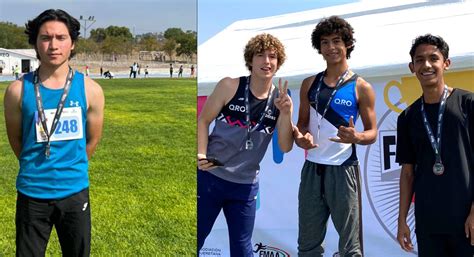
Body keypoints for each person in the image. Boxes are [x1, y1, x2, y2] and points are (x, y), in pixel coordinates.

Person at [3, 9, 105, 257]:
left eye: (61, 38)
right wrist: (37, 166)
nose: (53, 45)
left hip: (74, 191)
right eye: (45, 38)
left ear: (72, 43)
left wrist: (71, 166)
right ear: (35, 42)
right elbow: (17, 141)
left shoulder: (91, 90)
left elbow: (92, 140)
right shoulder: (17, 91)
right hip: (32, 192)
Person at [197, 33, 294, 256]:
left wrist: (286, 113)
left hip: (245, 185)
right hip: (211, 178)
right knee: (196, 239)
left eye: (272, 57)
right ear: (250, 60)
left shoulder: (281, 99)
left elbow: (286, 146)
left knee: (242, 250)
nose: (266, 61)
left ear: (278, 63)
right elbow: (203, 120)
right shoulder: (229, 85)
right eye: (260, 55)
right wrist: (201, 153)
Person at [293, 15, 377, 257]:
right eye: (325, 42)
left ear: (348, 44)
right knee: (307, 245)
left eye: (336, 41)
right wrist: (301, 139)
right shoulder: (310, 83)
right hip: (312, 170)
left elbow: (372, 132)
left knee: (351, 248)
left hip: (343, 170)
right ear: (319, 47)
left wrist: (357, 137)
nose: (331, 47)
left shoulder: (361, 86)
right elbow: (301, 125)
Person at [396, 34, 474, 257]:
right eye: (419, 60)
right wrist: (402, 220)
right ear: (412, 67)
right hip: (428, 221)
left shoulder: (468, 104)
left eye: (433, 58)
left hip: (466, 220)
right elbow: (408, 173)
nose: (426, 65)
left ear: (446, 64)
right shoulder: (408, 117)